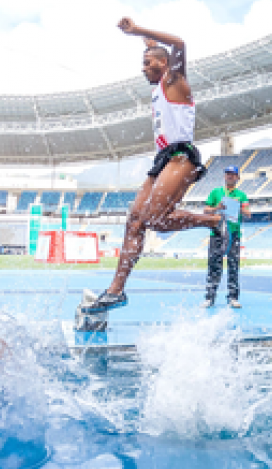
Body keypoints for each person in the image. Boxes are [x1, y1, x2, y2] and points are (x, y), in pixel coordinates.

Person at [77, 19, 226, 323]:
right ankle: (116, 290)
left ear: (164, 64)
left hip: (181, 156)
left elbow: (179, 44)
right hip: (162, 159)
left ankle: (212, 220)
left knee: (155, 219)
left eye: (148, 63)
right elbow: (156, 50)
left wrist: (139, 30)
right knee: (134, 220)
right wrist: (142, 42)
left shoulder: (174, 80)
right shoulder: (160, 82)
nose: (142, 68)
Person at [204, 166, 250, 308]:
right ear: (224, 176)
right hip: (216, 233)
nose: (230, 176)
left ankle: (233, 297)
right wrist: (217, 207)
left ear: (237, 178)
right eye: (227, 174)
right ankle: (210, 298)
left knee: (234, 266)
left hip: (233, 234)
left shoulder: (241, 195)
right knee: (213, 266)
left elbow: (248, 214)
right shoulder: (215, 192)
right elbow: (206, 210)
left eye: (233, 174)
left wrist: (239, 208)